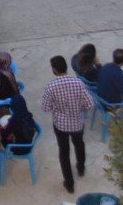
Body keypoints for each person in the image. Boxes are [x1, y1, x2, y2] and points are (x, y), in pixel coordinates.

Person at [42, 55, 100, 194]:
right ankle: (80, 168)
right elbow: (90, 103)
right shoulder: (78, 83)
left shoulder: (51, 87)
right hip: (77, 123)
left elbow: (45, 107)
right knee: (79, 145)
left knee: (64, 152)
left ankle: (69, 183)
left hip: (60, 125)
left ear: (54, 70)